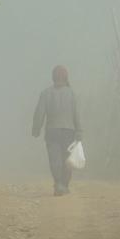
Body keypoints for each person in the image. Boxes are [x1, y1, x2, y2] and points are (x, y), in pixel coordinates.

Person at [31, 65, 82, 196]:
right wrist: (79, 131)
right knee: (67, 159)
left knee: (54, 159)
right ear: (66, 77)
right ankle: (64, 185)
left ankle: (58, 183)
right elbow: (76, 114)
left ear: (53, 77)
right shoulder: (71, 93)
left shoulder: (46, 93)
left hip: (52, 131)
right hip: (69, 131)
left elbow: (39, 113)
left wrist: (36, 129)